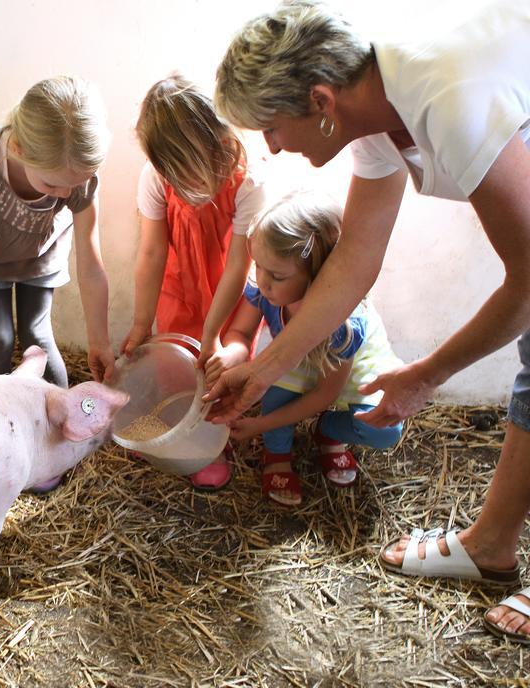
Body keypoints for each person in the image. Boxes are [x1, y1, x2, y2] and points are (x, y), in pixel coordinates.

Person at [211, 0, 530, 641]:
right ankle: (492, 543)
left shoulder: (448, 103)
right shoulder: (376, 111)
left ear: (322, 103)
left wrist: (427, 375)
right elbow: (354, 259)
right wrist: (266, 366)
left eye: (271, 127)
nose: (272, 147)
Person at [0, 76, 114, 493]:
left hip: (40, 259)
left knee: (38, 335)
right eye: (54, 186)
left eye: (76, 184)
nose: (67, 193)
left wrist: (100, 338)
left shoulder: (76, 175)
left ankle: (62, 435)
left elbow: (90, 261)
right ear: (17, 148)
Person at [208, 191, 402, 506]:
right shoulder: (263, 291)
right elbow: (241, 331)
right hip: (296, 357)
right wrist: (233, 353)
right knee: (274, 395)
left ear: (318, 275)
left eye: (278, 275)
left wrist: (259, 425)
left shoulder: (343, 325)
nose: (263, 281)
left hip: (344, 367)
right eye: (259, 266)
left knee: (385, 430)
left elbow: (325, 393)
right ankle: (278, 455)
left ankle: (330, 432)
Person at [122, 75, 266, 490]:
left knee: (220, 365)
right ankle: (171, 431)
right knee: (173, 364)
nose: (183, 185)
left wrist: (211, 335)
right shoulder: (155, 177)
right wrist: (140, 323)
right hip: (180, 284)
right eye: (176, 175)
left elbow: (239, 264)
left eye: (192, 174)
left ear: (219, 147)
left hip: (229, 292)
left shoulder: (248, 181)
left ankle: (214, 439)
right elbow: (151, 253)